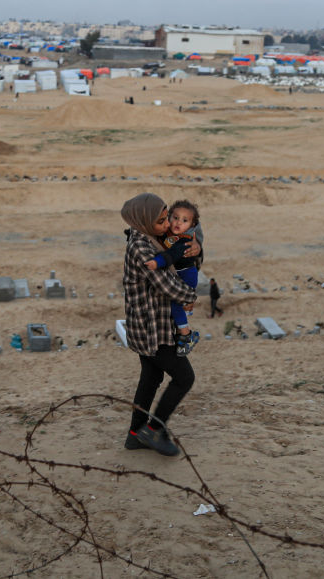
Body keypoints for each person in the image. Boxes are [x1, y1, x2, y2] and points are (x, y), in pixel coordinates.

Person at [120, 193, 200, 457]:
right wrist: (190, 298)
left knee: (151, 377)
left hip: (148, 326)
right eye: (162, 220)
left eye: (167, 218)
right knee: (184, 377)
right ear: (144, 220)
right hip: (152, 329)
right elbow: (166, 284)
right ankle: (153, 429)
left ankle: (135, 435)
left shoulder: (148, 236)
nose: (168, 224)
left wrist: (198, 249)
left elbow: (183, 251)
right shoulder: (142, 248)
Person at [143, 200, 203, 353]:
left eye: (184, 220)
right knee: (175, 308)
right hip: (177, 273)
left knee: (175, 306)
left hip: (186, 274)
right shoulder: (168, 233)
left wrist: (157, 262)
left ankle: (186, 335)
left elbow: (172, 254)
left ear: (191, 225)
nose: (178, 223)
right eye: (175, 217)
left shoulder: (186, 240)